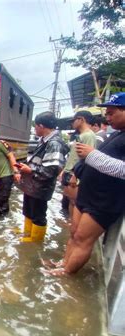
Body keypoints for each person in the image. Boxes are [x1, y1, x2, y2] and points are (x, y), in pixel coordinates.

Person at [47, 93, 125, 275]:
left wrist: (91, 154)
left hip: (104, 200)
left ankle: (66, 274)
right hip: (88, 193)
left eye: (112, 113)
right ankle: (64, 263)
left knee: (83, 238)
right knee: (74, 232)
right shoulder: (117, 134)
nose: (107, 117)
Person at [17, 111, 68, 242]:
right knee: (28, 211)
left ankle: (35, 242)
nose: (35, 129)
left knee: (38, 215)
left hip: (40, 187)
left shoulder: (54, 144)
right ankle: (27, 233)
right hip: (32, 186)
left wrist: (30, 170)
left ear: (41, 126)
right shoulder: (44, 141)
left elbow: (51, 170)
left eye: (35, 126)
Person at [60, 111, 97, 215]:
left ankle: (73, 227)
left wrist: (75, 176)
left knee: (74, 203)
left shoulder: (88, 135)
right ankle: (70, 225)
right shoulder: (82, 135)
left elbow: (87, 158)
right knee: (70, 202)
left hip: (75, 174)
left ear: (81, 120)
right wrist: (64, 171)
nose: (72, 124)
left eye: (73, 121)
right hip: (70, 172)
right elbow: (74, 157)